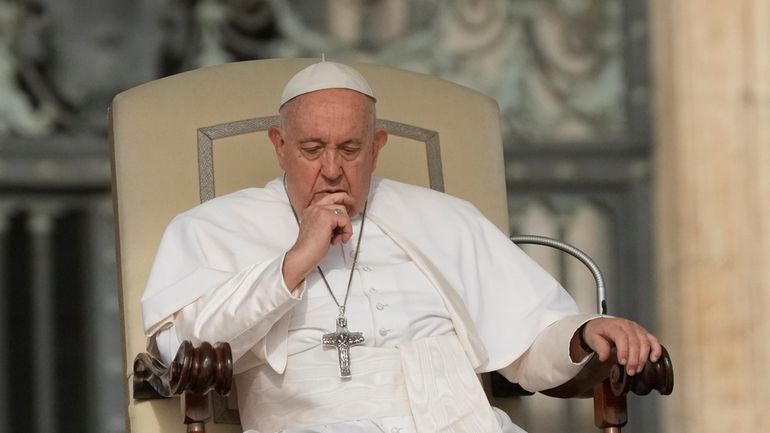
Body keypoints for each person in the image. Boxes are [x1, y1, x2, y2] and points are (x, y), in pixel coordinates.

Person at [140, 61, 661, 433]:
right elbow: (183, 348)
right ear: (279, 146)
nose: (331, 169)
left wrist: (585, 333)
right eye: (311, 149)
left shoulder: (446, 218)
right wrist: (294, 262)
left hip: (460, 420)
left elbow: (530, 341)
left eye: (350, 148)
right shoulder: (211, 228)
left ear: (378, 146)